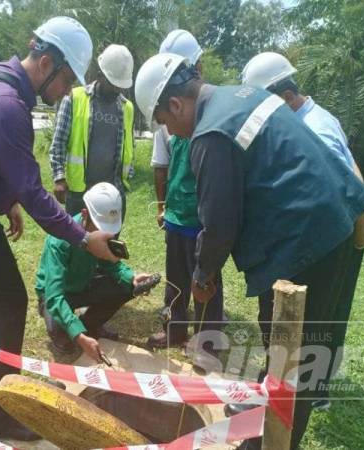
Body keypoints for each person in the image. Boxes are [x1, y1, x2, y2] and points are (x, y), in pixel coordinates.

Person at [134, 52, 364, 450]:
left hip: (306, 244)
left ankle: (274, 440)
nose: (172, 133)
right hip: (339, 222)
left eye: (164, 122)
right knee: (290, 351)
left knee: (295, 357)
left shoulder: (210, 133)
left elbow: (219, 225)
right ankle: (266, 415)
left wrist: (202, 278)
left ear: (175, 105)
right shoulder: (243, 94)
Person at [0, 17, 119, 444]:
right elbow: (33, 191)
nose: (67, 91)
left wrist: (4, 199)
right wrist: (83, 238)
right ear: (47, 62)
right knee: (8, 302)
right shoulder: (8, 103)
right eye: (67, 80)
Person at [241, 51, 364, 410]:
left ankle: (293, 395)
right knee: (329, 313)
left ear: (286, 97)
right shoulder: (318, 115)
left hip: (332, 235)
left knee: (306, 320)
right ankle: (312, 391)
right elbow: (350, 166)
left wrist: (359, 228)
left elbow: (341, 181)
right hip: (343, 228)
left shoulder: (312, 127)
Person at [148, 30, 225, 356]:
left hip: (205, 219)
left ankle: (207, 342)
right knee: (176, 281)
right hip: (178, 215)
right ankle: (175, 329)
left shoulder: (213, 113)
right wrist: (163, 205)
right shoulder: (168, 115)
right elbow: (161, 166)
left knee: (207, 281)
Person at [36, 182, 154, 361]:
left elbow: (110, 264)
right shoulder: (59, 241)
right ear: (84, 215)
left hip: (84, 285)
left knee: (126, 287)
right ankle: (71, 331)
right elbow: (55, 296)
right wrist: (79, 336)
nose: (105, 237)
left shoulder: (101, 234)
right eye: (100, 229)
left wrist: (131, 278)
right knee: (62, 335)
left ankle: (89, 324)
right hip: (57, 294)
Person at [50, 44, 135, 218]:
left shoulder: (127, 108)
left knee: (108, 242)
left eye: (120, 85)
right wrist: (59, 177)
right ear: (100, 75)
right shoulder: (74, 98)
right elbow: (59, 141)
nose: (117, 90)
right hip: (80, 193)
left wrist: (128, 178)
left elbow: (129, 146)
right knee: (77, 242)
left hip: (113, 193)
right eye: (113, 84)